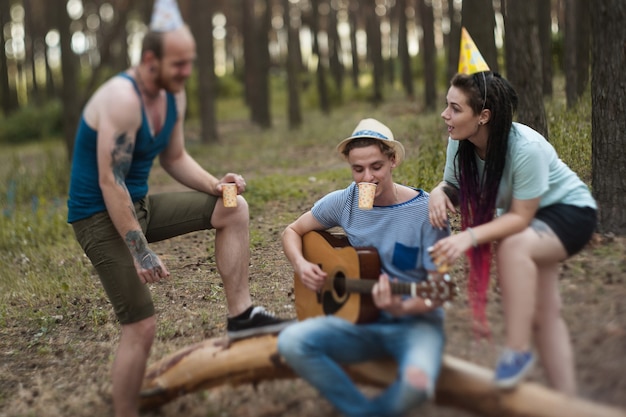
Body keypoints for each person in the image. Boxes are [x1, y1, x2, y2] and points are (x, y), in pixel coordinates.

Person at [67, 2, 291, 416]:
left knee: (233, 207)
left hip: (139, 205)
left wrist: (215, 185)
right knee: (141, 326)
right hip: (98, 217)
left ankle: (241, 316)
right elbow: (109, 182)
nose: (187, 70)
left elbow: (174, 157)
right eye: (179, 63)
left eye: (190, 62)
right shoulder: (121, 99)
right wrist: (140, 251)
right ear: (150, 59)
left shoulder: (173, 95)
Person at [428, 71, 597, 395]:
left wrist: (469, 236)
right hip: (525, 220)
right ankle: (569, 401)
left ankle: (517, 353)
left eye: (455, 108)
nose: (445, 115)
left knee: (514, 248)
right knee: (545, 314)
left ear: (483, 116)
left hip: (569, 212)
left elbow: (520, 218)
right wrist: (439, 191)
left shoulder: (526, 148)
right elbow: (454, 187)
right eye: (446, 105)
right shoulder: (459, 142)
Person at [277, 118, 450, 417]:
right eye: (358, 169)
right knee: (292, 341)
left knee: (417, 386)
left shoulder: (427, 213)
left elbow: (439, 290)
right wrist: (301, 264)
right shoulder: (345, 201)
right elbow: (291, 231)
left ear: (393, 161)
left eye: (376, 167)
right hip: (360, 320)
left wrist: (402, 308)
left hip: (416, 323)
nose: (367, 177)